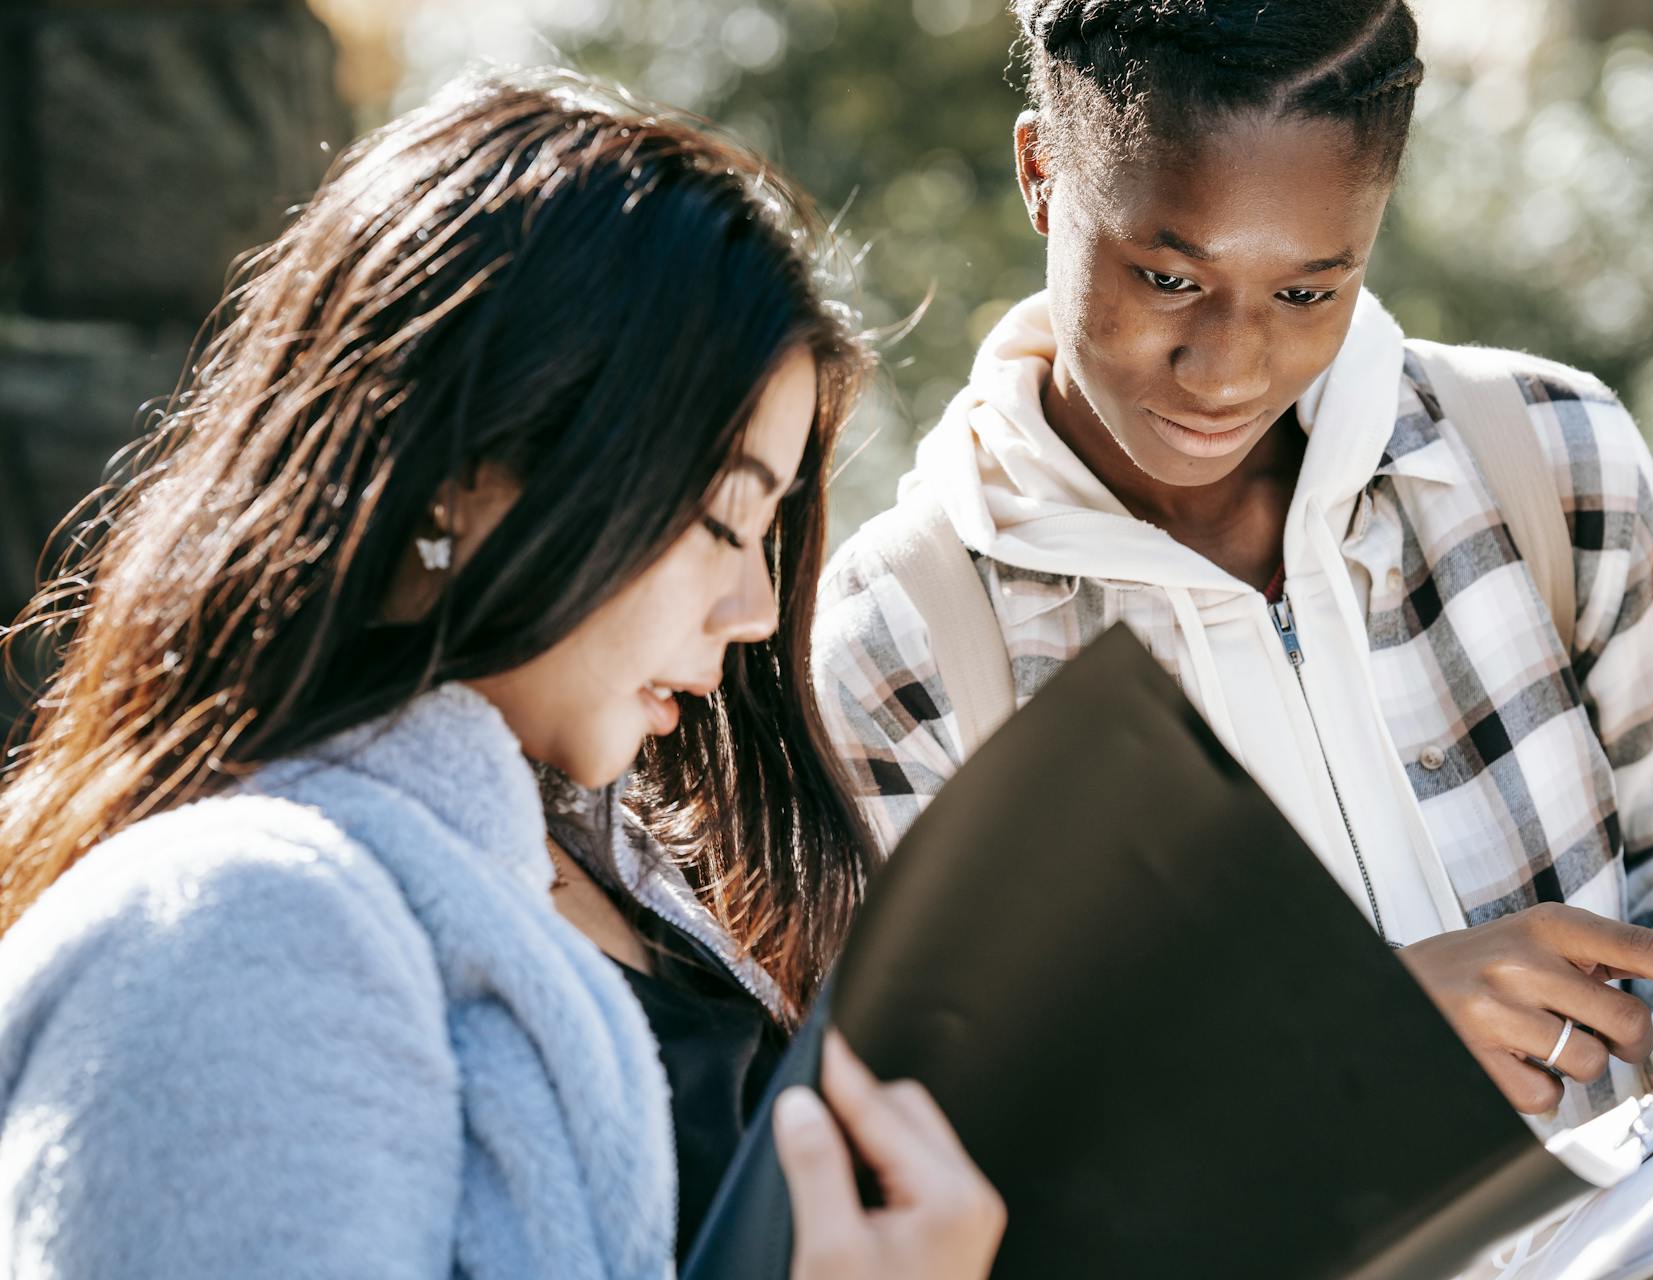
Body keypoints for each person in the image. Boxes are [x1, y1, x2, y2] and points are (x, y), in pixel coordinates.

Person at [810, 3, 1653, 1275]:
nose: (1230, 367)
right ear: (1041, 173)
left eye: (1310, 288)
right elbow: (964, 1156)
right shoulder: (906, 645)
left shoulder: (1555, 459)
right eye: (1169, 276)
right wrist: (1348, 1054)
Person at [0, 71, 1002, 1279]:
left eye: (772, 533)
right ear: (464, 478)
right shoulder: (229, 927)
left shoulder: (603, 868)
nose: (750, 612)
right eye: (725, 523)